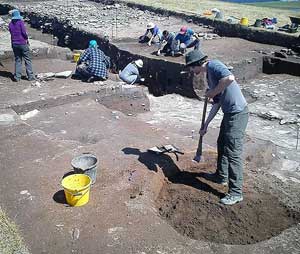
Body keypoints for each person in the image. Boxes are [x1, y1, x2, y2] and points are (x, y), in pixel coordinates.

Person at [185, 50, 249, 205]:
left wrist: (212, 92)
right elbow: (217, 103)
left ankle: (235, 192)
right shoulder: (210, 76)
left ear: (196, 65)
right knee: (222, 144)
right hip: (229, 113)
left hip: (238, 113)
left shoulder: (214, 65)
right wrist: (205, 125)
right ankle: (221, 176)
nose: (191, 71)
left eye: (191, 68)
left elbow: (229, 78)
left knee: (233, 152)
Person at [8, 9, 35, 82]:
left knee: (18, 60)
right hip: (22, 43)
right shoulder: (20, 22)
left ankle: (17, 77)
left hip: (14, 43)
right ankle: (30, 76)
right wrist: (26, 38)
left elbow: (11, 32)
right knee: (27, 60)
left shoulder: (10, 24)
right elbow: (24, 32)